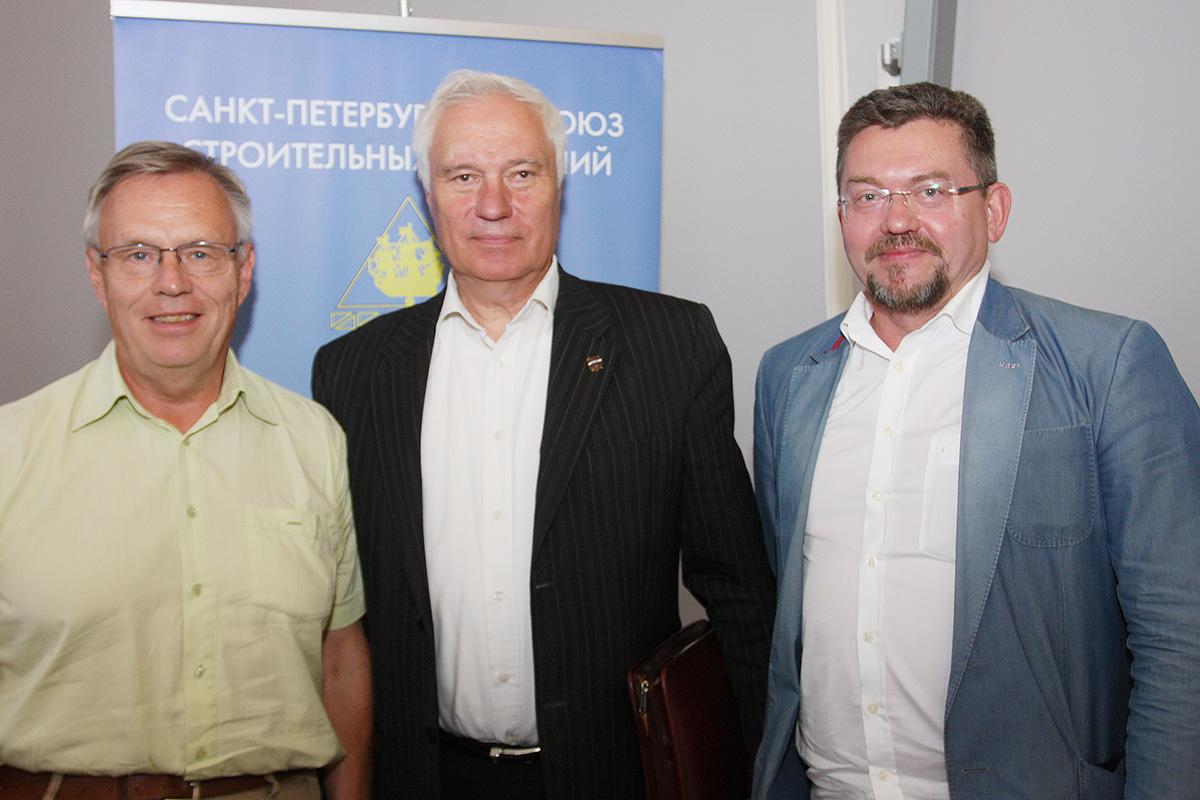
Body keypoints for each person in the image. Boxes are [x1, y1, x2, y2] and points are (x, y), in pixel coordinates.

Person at [312, 69, 775, 800]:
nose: (493, 204)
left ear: (560, 183)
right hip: (425, 779)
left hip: (613, 778)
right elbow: (341, 621)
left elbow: (740, 593)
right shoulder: (354, 372)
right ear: (428, 195)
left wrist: (761, 774)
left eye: (521, 173)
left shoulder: (669, 345)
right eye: (463, 175)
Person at [752, 82, 1200, 800]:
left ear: (993, 210)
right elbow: (786, 603)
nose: (897, 220)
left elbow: (1181, 636)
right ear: (841, 217)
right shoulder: (788, 376)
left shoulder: (1108, 364)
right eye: (867, 196)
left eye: (931, 190)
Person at [0, 141, 372, 800]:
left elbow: (341, 659)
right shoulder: (11, 449)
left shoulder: (313, 440)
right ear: (97, 273)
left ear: (244, 270)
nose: (172, 282)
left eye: (201, 252)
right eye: (138, 254)